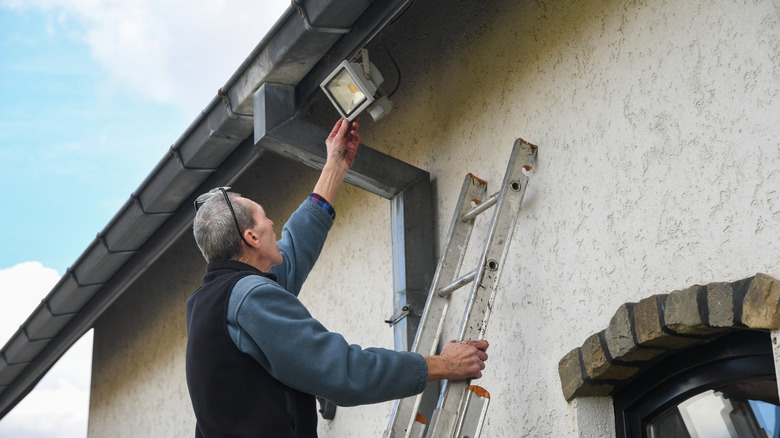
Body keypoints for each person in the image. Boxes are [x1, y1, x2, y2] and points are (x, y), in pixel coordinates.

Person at [185, 118, 489, 437]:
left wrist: (336, 165)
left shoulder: (216, 300)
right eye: (264, 217)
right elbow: (343, 372)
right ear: (251, 238)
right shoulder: (249, 299)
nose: (273, 221)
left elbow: (294, 249)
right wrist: (444, 365)